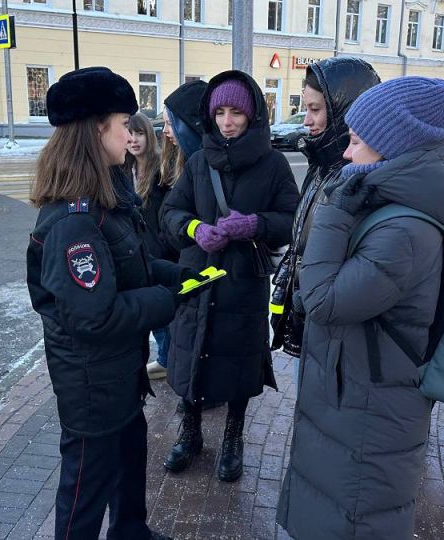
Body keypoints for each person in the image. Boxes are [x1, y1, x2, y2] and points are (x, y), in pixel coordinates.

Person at [276, 77, 444, 538]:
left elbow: (323, 299)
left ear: (392, 146)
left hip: (370, 407)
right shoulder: (390, 203)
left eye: (357, 142)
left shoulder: (401, 229)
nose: (345, 153)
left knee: (357, 519)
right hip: (356, 392)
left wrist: (335, 212)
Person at [26, 66, 204, 540]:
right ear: (96, 129)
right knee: (85, 492)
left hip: (118, 374)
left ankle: (131, 532)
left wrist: (185, 277)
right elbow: (95, 316)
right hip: (92, 386)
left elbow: (134, 265)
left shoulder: (106, 199)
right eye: (124, 123)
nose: (131, 133)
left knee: (129, 462)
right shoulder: (73, 221)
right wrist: (168, 298)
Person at [160, 71, 299, 482]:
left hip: (243, 281)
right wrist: (195, 229)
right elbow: (170, 212)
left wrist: (253, 223)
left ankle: (233, 437)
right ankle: (190, 433)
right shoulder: (200, 161)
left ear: (252, 113)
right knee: (191, 354)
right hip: (198, 278)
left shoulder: (273, 164)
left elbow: (293, 219)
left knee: (238, 363)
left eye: (236, 111)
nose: (226, 121)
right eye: (219, 112)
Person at [270, 57, 381, 360]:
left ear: (344, 111)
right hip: (309, 320)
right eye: (306, 108)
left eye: (315, 109)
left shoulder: (357, 179)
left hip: (333, 332)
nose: (306, 120)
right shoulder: (321, 166)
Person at [145, 80, 207, 380]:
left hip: (194, 264)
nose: (165, 132)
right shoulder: (177, 161)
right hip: (176, 260)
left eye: (171, 124)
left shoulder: (201, 164)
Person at [124, 112, 175, 382]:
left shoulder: (161, 169)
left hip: (158, 252)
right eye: (129, 134)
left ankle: (168, 360)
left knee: (162, 312)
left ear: (148, 135)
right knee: (146, 312)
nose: (133, 140)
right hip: (134, 252)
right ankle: (163, 358)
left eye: (139, 133)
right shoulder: (123, 167)